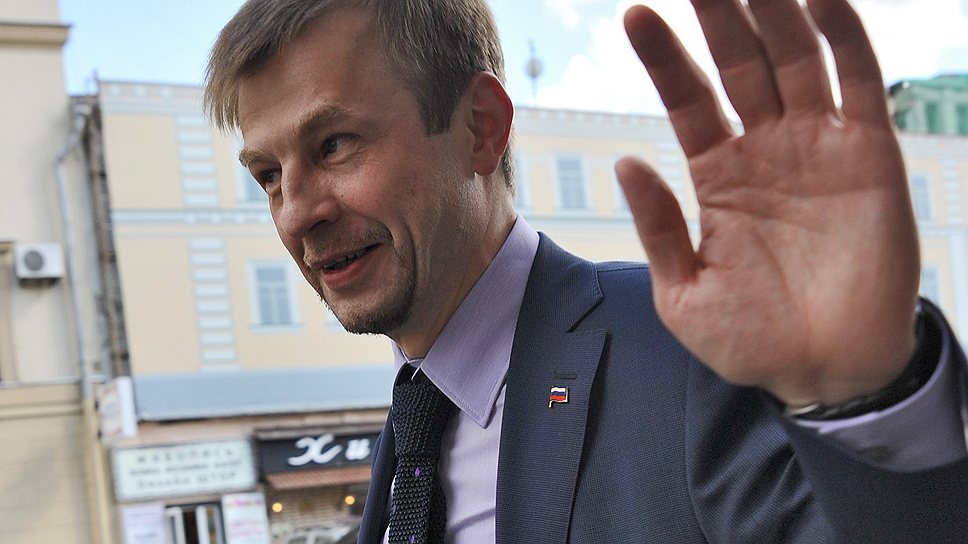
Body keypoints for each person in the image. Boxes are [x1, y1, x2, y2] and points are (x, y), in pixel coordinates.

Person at [204, 0, 968, 542]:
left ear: (480, 129)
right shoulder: (410, 438)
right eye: (268, 175)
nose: (297, 213)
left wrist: (866, 395)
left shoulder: (688, 353)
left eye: (334, 145)